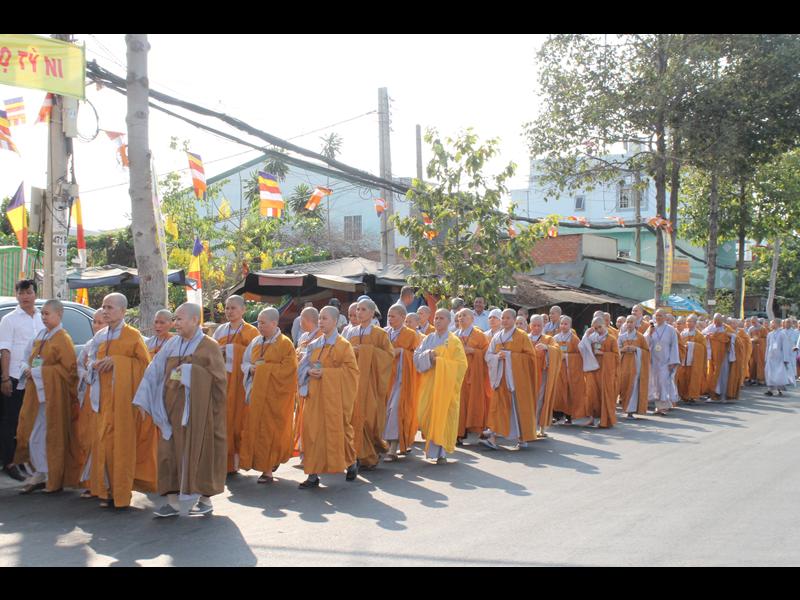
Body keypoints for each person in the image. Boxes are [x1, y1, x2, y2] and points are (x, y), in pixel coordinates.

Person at [133, 303, 226, 517]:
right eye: (175, 319)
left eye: (180, 319)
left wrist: (192, 373)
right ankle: (173, 502)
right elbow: (154, 370)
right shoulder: (173, 344)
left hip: (198, 413)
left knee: (198, 453)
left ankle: (204, 498)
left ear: (195, 320)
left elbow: (220, 382)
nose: (176, 323)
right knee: (168, 452)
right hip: (171, 411)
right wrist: (143, 398)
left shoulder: (208, 346)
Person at [85, 293, 157, 508]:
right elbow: (88, 358)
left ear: (123, 311)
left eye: (110, 307)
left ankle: (122, 494)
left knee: (122, 447)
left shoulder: (133, 336)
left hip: (125, 403)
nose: (105, 311)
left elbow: (145, 367)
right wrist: (94, 365)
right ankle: (106, 490)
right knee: (104, 445)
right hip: (102, 400)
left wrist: (117, 362)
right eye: (103, 307)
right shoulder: (100, 336)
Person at [14, 300, 80, 494]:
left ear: (59, 315)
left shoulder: (63, 338)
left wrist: (38, 372)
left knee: (53, 434)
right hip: (38, 393)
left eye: (47, 314)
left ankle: (55, 476)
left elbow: (69, 371)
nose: (43, 317)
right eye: (41, 314)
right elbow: (29, 357)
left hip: (55, 395)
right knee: (33, 431)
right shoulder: (42, 335)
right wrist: (27, 368)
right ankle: (41, 471)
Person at [297, 306, 359, 488]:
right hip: (315, 397)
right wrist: (308, 370)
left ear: (334, 321)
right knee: (311, 432)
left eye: (324, 319)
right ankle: (312, 474)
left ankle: (350, 462)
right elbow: (302, 366)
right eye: (319, 319)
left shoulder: (343, 345)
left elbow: (351, 372)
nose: (320, 322)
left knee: (340, 431)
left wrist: (326, 373)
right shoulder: (314, 344)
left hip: (335, 399)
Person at [240, 308, 298, 484]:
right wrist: (251, 369)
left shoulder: (285, 344)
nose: (260, 325)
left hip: (276, 397)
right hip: (257, 395)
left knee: (273, 431)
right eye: (258, 322)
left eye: (263, 322)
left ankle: (271, 463)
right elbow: (245, 362)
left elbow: (290, 370)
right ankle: (266, 469)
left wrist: (265, 369)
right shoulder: (256, 342)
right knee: (258, 430)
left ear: (274, 323)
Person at [0, 279, 44, 482]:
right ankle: (10, 462)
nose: (25, 296)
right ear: (16, 295)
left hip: (38, 378)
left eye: (28, 292)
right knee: (11, 422)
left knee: (34, 421)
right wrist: (5, 378)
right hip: (16, 377)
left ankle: (30, 462)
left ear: (35, 293)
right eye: (21, 293)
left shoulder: (42, 317)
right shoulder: (9, 320)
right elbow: (5, 350)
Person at [343, 298, 393, 469]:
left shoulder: (380, 334)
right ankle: (356, 456)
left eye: (363, 309)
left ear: (372, 313)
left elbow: (388, 357)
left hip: (371, 384)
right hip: (353, 383)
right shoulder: (350, 333)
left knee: (370, 419)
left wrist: (365, 351)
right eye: (358, 309)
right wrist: (351, 351)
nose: (359, 312)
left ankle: (371, 453)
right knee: (353, 418)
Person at [413, 309, 468, 463]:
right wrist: (428, 355)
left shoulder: (453, 341)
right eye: (436, 318)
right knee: (424, 415)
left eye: (441, 318)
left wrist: (441, 362)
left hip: (445, 387)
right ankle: (434, 449)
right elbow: (416, 355)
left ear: (449, 321)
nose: (437, 321)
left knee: (443, 416)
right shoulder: (428, 338)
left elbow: (461, 365)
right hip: (429, 384)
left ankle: (441, 452)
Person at [213, 295, 260, 474]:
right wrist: (219, 350)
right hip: (222, 381)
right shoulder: (220, 331)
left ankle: (238, 460)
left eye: (233, 308)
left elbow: (254, 357)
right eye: (227, 308)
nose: (229, 311)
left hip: (241, 383)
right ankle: (223, 463)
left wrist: (233, 350)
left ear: (243, 310)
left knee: (239, 421)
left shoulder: (251, 332)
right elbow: (211, 350)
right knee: (223, 420)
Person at [482, 309, 538, 449]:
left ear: (514, 320)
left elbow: (531, 358)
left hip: (517, 380)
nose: (505, 320)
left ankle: (522, 437)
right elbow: (488, 356)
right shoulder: (497, 337)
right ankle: (493, 438)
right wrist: (497, 357)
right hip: (501, 378)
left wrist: (509, 356)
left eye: (508, 318)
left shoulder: (522, 336)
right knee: (498, 407)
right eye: (503, 318)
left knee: (517, 408)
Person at [76, 309, 108, 497]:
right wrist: (87, 374)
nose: (96, 326)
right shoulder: (89, 345)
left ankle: (103, 483)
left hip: (106, 396)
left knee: (102, 439)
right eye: (94, 322)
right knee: (88, 438)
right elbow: (79, 365)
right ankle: (90, 481)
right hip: (89, 395)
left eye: (100, 322)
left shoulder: (113, 343)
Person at [383, 304, 420, 460]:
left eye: (393, 316)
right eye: (389, 316)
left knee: (395, 410)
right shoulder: (384, 333)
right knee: (384, 410)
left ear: (403, 318)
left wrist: (402, 352)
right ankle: (384, 443)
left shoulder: (411, 335)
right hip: (384, 379)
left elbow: (417, 357)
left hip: (402, 379)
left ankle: (393, 447)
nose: (390, 319)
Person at [455, 308, 492, 445]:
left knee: (475, 402)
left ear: (472, 319)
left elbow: (487, 353)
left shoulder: (479, 335)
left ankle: (479, 431)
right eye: (459, 316)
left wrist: (473, 351)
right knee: (460, 404)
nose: (461, 318)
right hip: (460, 375)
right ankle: (459, 433)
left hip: (475, 375)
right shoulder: (455, 335)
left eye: (464, 315)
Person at [293, 307, 323, 459]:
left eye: (302, 318)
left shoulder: (320, 336)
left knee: (311, 418)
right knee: (301, 416)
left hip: (313, 382)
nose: (300, 321)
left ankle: (312, 451)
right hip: (301, 381)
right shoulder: (304, 336)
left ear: (310, 320)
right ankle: (303, 448)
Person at [578, 316, 619, 428]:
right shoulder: (592, 338)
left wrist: (603, 354)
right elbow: (582, 347)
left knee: (605, 394)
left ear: (605, 325)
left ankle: (605, 420)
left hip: (606, 371)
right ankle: (591, 418)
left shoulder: (611, 339)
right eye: (595, 328)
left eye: (599, 327)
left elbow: (616, 356)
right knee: (591, 393)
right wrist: (586, 335)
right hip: (593, 369)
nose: (598, 330)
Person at [527, 315, 562, 438]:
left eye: (539, 326)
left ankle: (540, 427)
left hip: (542, 375)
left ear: (543, 326)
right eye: (534, 325)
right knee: (528, 401)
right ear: (530, 325)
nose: (536, 328)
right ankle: (527, 427)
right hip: (527, 375)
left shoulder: (548, 339)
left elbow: (558, 351)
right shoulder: (525, 338)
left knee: (540, 400)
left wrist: (547, 348)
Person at [552, 316, 590, 426]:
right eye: (562, 324)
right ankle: (557, 415)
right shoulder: (555, 338)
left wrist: (567, 356)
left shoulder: (574, 339)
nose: (563, 326)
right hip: (558, 370)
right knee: (558, 393)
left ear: (570, 325)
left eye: (566, 324)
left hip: (570, 371)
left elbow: (580, 355)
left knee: (568, 393)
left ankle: (569, 417)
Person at [645, 309, 681, 415]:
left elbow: (674, 346)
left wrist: (673, 361)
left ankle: (664, 406)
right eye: (656, 316)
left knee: (663, 382)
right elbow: (645, 342)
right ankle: (659, 406)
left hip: (666, 361)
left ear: (665, 317)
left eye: (660, 316)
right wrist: (649, 335)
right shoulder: (651, 328)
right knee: (655, 383)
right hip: (654, 361)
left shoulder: (670, 330)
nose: (658, 318)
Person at [617, 315, 650, 419]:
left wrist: (636, 349)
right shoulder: (622, 337)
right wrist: (623, 349)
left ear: (636, 324)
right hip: (623, 365)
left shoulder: (640, 337)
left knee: (633, 387)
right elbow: (617, 350)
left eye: (632, 322)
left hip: (636, 366)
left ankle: (630, 411)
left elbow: (647, 352)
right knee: (623, 386)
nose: (629, 324)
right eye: (628, 322)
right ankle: (624, 407)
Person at [702, 313, 737, 403]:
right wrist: (706, 336)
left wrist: (729, 335)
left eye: (719, 321)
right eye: (715, 321)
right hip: (713, 357)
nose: (717, 323)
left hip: (723, 357)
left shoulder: (726, 328)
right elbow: (702, 335)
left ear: (722, 321)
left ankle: (723, 395)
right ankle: (713, 395)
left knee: (723, 375)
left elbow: (736, 338)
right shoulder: (710, 327)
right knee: (712, 375)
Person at [676, 314, 708, 403]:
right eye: (687, 321)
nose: (688, 323)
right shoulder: (683, 333)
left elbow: (703, 348)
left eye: (690, 321)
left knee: (693, 378)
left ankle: (692, 396)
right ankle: (683, 395)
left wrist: (691, 345)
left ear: (695, 323)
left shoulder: (699, 335)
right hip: (684, 359)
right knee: (682, 377)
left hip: (694, 361)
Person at [765, 318, 792, 396]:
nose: (771, 325)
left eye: (772, 323)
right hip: (770, 357)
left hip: (779, 357)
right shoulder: (770, 334)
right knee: (769, 373)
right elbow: (768, 346)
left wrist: (785, 359)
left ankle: (779, 389)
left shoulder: (782, 334)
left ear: (776, 324)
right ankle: (770, 389)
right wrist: (766, 357)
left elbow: (785, 347)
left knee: (778, 373)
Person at [747, 316, 767, 385]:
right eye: (752, 322)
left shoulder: (762, 328)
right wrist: (751, 340)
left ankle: (761, 379)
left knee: (760, 363)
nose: (753, 323)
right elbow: (748, 338)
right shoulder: (750, 329)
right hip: (753, 348)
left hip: (760, 349)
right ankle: (753, 378)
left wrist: (758, 340)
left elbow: (765, 339)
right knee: (752, 363)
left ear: (757, 321)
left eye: (754, 322)